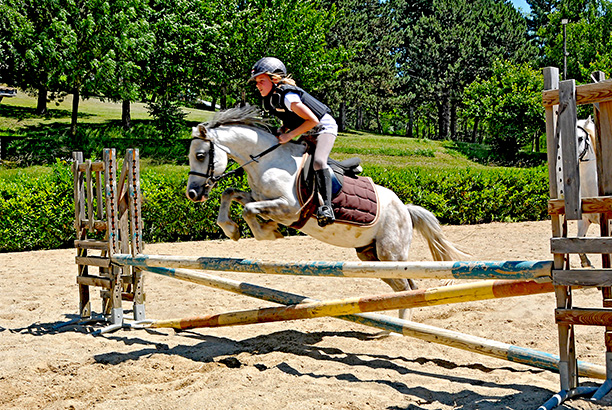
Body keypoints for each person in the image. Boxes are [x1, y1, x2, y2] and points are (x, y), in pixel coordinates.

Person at [249, 57, 337, 227]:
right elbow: (290, 118)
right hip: (307, 130)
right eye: (256, 82)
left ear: (274, 79)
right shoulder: (272, 99)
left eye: (261, 80)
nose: (257, 85)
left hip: (323, 129)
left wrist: (289, 137)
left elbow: (313, 121)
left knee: (318, 162)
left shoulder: (288, 96)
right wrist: (284, 129)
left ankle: (327, 207)